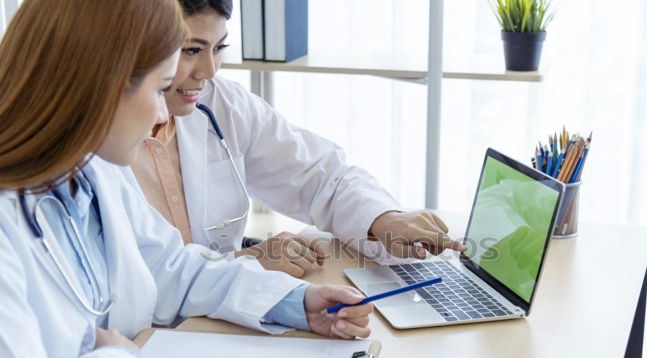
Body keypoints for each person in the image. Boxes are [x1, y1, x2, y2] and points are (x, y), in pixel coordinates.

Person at [0, 0, 372, 358]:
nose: (164, 109)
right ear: (103, 86)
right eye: (160, 88)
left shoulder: (91, 171)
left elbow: (172, 269)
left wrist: (294, 302)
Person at [129, 0, 466, 278]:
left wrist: (382, 220)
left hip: (227, 319)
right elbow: (131, 282)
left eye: (219, 48)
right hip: (139, 340)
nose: (209, 71)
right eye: (191, 50)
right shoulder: (99, 144)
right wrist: (245, 264)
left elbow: (324, 177)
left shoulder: (223, 105)